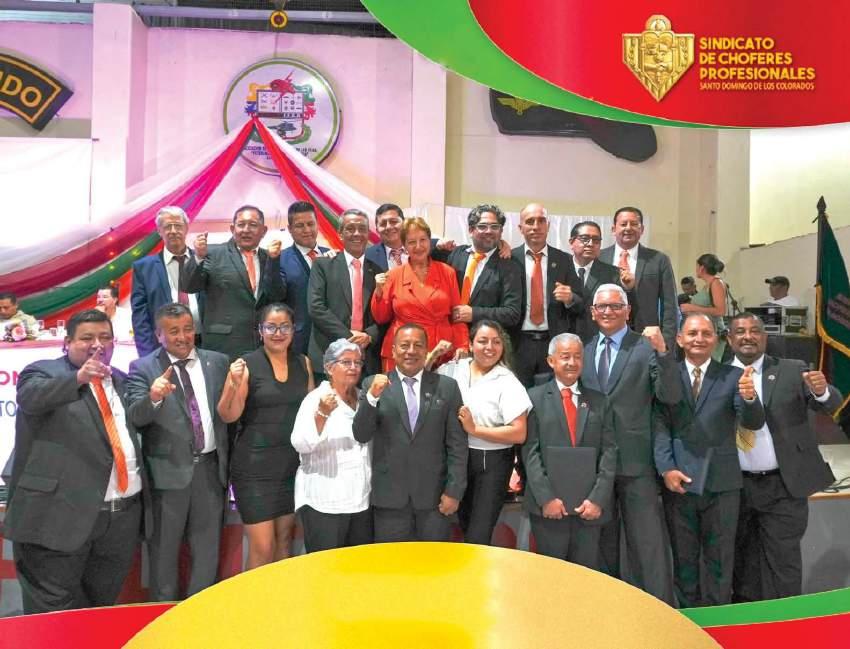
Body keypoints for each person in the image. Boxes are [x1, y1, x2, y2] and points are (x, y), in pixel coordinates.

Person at [4, 309, 147, 613]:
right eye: (87, 338)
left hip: (118, 522)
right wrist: (79, 378)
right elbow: (31, 397)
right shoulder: (41, 373)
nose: (97, 344)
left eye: (105, 337)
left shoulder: (121, 381)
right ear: (67, 342)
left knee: (97, 611)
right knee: (53, 617)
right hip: (57, 519)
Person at [727, 312, 843, 602]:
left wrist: (822, 392)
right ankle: (749, 621)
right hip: (735, 488)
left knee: (784, 563)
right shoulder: (717, 375)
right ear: (729, 339)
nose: (748, 336)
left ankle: (786, 620)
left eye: (755, 331)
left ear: (765, 337)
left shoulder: (792, 370)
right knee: (743, 565)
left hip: (784, 486)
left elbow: (830, 404)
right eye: (740, 331)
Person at [654, 313, 765, 608]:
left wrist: (751, 399)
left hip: (722, 484)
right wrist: (666, 468)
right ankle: (689, 624)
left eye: (706, 333)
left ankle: (720, 624)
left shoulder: (733, 376)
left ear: (716, 340)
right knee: (684, 562)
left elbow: (752, 422)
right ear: (680, 339)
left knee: (720, 563)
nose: (699, 339)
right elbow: (660, 425)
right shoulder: (667, 375)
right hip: (679, 483)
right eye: (692, 333)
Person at [581, 283, 681, 605]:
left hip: (636, 461)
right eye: (602, 306)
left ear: (628, 311)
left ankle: (658, 612)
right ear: (592, 312)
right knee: (602, 544)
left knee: (647, 544)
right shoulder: (583, 351)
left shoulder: (646, 347)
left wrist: (664, 353)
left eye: (615, 306)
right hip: (596, 466)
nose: (608, 311)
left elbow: (670, 396)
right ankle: (610, 609)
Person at [125, 303, 230, 601]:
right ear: (159, 335)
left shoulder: (218, 362)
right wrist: (153, 397)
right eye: (173, 331)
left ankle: (200, 615)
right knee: (164, 554)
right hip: (167, 476)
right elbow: (136, 417)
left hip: (210, 471)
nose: (182, 337)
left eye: (187, 329)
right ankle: (163, 615)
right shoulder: (143, 368)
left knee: (207, 552)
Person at [216, 303, 313, 568]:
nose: (278, 333)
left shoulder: (303, 363)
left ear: (293, 330)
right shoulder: (245, 365)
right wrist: (232, 384)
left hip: (291, 467)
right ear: (260, 331)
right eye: (271, 327)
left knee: (284, 543)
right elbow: (228, 415)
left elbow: (308, 414)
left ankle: (279, 596)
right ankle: (254, 597)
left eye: (284, 327)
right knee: (262, 548)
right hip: (254, 469)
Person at [352, 324, 467, 542]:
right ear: (393, 350)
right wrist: (371, 398)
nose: (411, 351)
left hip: (435, 500)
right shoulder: (373, 384)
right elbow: (361, 434)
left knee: (434, 562)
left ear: (427, 350)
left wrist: (454, 491)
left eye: (418, 345)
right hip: (389, 500)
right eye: (404, 345)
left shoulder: (447, 387)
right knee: (392, 563)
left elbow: (457, 445)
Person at [522, 333, 617, 569]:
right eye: (565, 356)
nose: (572, 362)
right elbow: (530, 453)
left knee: (585, 578)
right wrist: (546, 498)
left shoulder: (599, 401)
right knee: (551, 577)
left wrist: (597, 499)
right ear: (551, 361)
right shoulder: (533, 398)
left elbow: (609, 453)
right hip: (548, 510)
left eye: (577, 357)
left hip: (589, 510)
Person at [435, 320, 531, 545]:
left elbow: (519, 433)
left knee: (479, 534)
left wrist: (475, 429)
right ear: (470, 344)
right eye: (483, 341)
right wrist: (433, 356)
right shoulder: (454, 368)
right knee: (463, 524)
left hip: (492, 462)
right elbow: (424, 380)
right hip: (457, 458)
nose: (490, 347)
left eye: (496, 342)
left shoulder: (507, 380)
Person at [291, 339, 373, 552]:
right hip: (325, 501)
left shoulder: (364, 398)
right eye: (346, 362)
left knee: (357, 565)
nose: (353, 367)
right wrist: (322, 414)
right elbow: (300, 443)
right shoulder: (315, 399)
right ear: (329, 367)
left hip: (360, 499)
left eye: (357, 362)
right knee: (326, 567)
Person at [181, 204, 284, 361]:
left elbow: (277, 295)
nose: (246, 230)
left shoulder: (269, 257)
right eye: (241, 224)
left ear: (263, 231)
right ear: (232, 229)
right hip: (222, 347)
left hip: (261, 346)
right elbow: (189, 286)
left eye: (253, 225)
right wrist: (198, 257)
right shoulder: (212, 253)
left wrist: (274, 261)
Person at [371, 217, 469, 371]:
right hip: (404, 353)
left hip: (442, 352)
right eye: (411, 242)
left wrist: (462, 345)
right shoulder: (393, 275)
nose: (418, 246)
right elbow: (381, 317)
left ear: (430, 241)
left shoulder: (447, 272)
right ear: (404, 246)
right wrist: (378, 291)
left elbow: (458, 315)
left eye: (423, 240)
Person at [510, 203, 584, 388]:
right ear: (520, 228)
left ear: (548, 226)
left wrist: (570, 298)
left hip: (553, 342)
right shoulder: (509, 258)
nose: (536, 226)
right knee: (518, 395)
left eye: (541, 221)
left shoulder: (564, 260)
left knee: (551, 396)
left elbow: (582, 302)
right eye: (530, 221)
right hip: (518, 343)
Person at [308, 209, 383, 378]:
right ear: (340, 234)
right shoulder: (323, 265)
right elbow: (316, 307)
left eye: (362, 229)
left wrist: (369, 336)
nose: (357, 233)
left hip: (366, 360)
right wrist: (349, 336)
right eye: (350, 228)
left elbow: (384, 315)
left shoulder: (378, 271)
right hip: (328, 355)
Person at [599, 206, 678, 349]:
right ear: (613, 229)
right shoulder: (599, 258)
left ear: (642, 230)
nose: (628, 228)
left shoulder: (658, 260)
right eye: (623, 224)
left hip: (646, 338)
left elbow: (670, 305)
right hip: (606, 337)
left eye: (634, 224)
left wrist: (666, 343)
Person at [131, 206, 205, 357]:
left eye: (178, 225)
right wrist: (147, 356)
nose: (173, 231)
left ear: (186, 228)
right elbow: (140, 318)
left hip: (204, 343)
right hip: (163, 347)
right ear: (159, 231)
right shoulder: (144, 268)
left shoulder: (204, 260)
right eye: (167, 226)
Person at [442, 204, 522, 332]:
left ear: (501, 231)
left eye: (494, 227)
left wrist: (474, 313)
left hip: (484, 339)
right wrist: (438, 243)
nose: (489, 231)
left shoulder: (509, 265)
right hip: (449, 335)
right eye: (482, 226)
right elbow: (424, 252)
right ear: (471, 230)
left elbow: (512, 313)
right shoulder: (456, 254)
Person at [278, 201, 329, 356]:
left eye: (310, 224)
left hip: (331, 340)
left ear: (317, 225)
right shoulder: (280, 259)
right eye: (300, 226)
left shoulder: (333, 256)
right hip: (298, 343)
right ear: (290, 229)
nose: (307, 230)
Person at [569, 221, 620, 344]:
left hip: (598, 341)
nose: (591, 244)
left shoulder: (613, 274)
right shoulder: (559, 268)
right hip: (564, 342)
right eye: (585, 239)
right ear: (571, 242)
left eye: (596, 240)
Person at [680, 254, 728, 361]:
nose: (696, 270)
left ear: (702, 268)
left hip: (715, 334)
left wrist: (692, 308)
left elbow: (721, 310)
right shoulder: (707, 285)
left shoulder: (716, 283)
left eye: (696, 266)